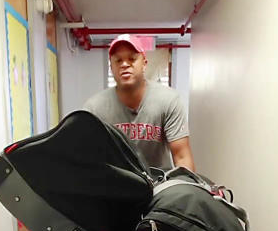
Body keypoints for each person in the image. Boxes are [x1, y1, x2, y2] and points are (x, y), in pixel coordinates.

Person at [82, 34, 195, 171]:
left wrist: (187, 189)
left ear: (144, 64)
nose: (124, 64)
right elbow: (88, 159)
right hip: (116, 184)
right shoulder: (94, 108)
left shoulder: (168, 100)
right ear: (111, 67)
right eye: (118, 60)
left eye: (132, 59)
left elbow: (182, 157)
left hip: (158, 184)